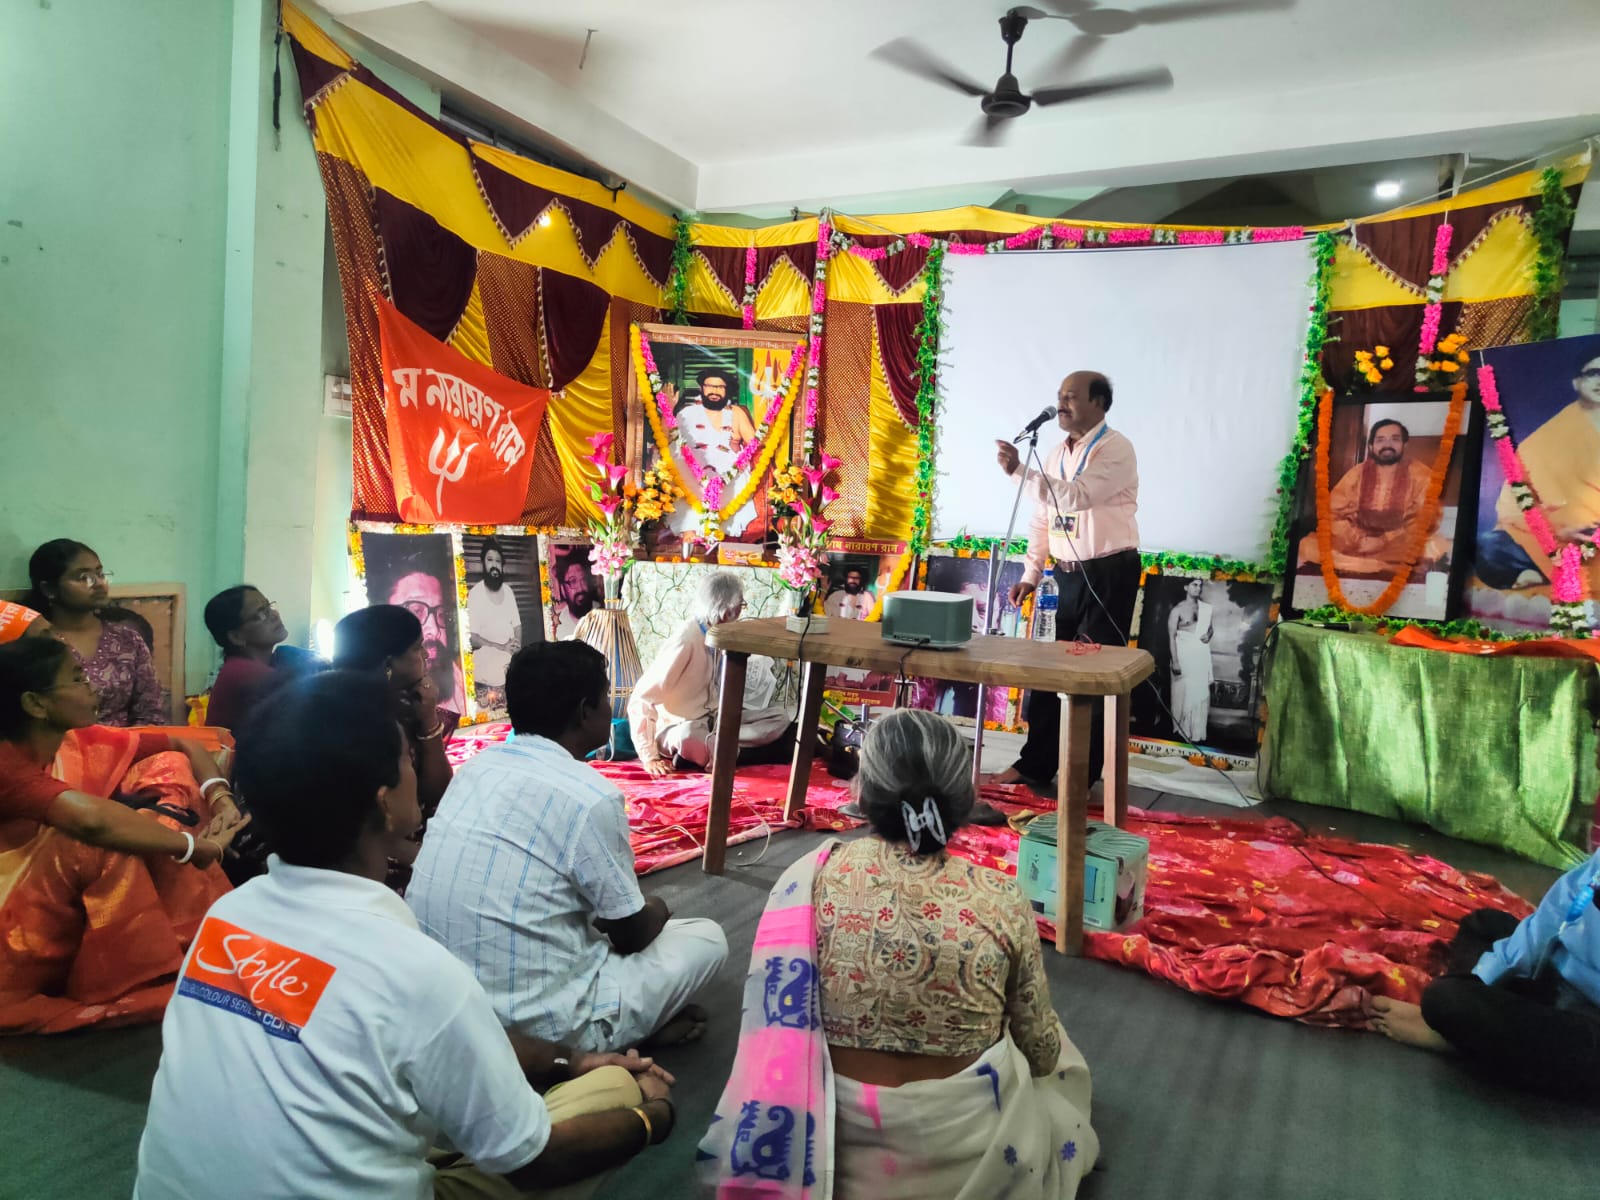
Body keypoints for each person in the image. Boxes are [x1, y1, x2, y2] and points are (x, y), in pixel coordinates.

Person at [133, 671, 679, 1199]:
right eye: (405, 757)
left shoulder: (228, 917)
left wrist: (571, 1061)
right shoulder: (415, 969)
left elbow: (429, 1029)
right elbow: (531, 1160)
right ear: (383, 799)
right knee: (615, 1092)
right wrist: (651, 1117)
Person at [700, 709, 1098, 1197]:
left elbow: (775, 1022)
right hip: (970, 1163)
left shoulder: (809, 877)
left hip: (823, 1152)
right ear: (963, 797)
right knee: (1054, 1050)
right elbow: (1041, 1056)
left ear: (863, 792)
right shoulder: (999, 897)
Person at [408, 641, 729, 1053]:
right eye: (604, 698)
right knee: (706, 937)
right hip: (541, 1027)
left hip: (448, 1013)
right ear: (584, 712)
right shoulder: (592, 796)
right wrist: (661, 906)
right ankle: (611, 1037)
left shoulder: (476, 769)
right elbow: (631, 935)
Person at [0, 637, 248, 1033]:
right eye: (78, 678)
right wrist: (194, 847)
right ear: (35, 704)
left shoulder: (77, 741)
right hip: (14, 929)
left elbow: (181, 742)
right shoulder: (6, 761)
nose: (92, 687)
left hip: (51, 895)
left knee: (164, 768)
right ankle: (126, 979)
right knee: (96, 842)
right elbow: (91, 823)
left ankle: (190, 943)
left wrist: (220, 799)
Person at [991, 371, 1140, 788]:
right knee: (1049, 670)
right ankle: (1033, 765)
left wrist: (1019, 471)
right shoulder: (1055, 452)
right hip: (1066, 576)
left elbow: (1076, 497)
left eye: (1071, 396)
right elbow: (1044, 516)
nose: (1061, 404)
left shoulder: (1116, 449)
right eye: (1059, 396)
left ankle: (1080, 777)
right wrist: (1033, 573)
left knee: (1089, 676)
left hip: (1108, 574)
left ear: (1099, 403)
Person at [1371, 849, 1600, 1101]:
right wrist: (1480, 981)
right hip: (1553, 976)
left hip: (1589, 1019)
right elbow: (1555, 914)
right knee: (1483, 924)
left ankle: (1463, 1039)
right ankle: (1470, 1032)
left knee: (1447, 999)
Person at [334, 605, 456, 890]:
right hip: (365, 856)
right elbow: (358, 820)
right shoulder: (354, 719)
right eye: (417, 648)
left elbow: (436, 790)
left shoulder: (408, 704)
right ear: (388, 665)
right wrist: (422, 856)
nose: (425, 654)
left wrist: (428, 720)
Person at [628, 572, 794, 776]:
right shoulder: (686, 641)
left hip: (714, 722)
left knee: (779, 717)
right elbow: (641, 699)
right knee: (690, 736)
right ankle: (738, 753)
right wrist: (649, 756)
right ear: (727, 611)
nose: (741, 612)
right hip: (679, 727)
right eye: (740, 606)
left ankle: (717, 752)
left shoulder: (719, 632)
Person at [1477, 353, 1600, 589]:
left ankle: (1538, 574)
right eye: (1593, 373)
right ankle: (1541, 569)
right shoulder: (1547, 437)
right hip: (1551, 537)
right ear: (1577, 382)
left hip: (1594, 535)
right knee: (1487, 546)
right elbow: (1511, 504)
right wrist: (1559, 526)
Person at [25, 538, 166, 726]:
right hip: (61, 751)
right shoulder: (36, 644)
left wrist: (129, 748)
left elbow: (151, 711)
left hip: (131, 747)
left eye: (100, 574)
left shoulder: (128, 639)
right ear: (49, 589)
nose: (99, 584)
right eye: (84, 578)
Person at [1300, 419, 1439, 576]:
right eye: (1380, 440)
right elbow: (1331, 513)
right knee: (1308, 546)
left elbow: (1426, 518)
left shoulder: (1422, 475)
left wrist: (1385, 539)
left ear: (1405, 445)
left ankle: (1361, 564)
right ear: (1371, 446)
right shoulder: (1356, 473)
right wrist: (1357, 539)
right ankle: (1386, 567)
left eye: (1395, 439)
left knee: (1433, 547)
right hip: (1357, 543)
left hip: (1397, 544)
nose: (1388, 444)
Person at [660, 369, 760, 538]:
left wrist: (735, 444)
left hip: (728, 477)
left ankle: (716, 541)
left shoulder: (737, 413)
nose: (715, 391)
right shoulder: (686, 413)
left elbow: (755, 444)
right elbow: (664, 439)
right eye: (710, 386)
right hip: (691, 475)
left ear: (727, 390)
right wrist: (668, 409)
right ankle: (690, 537)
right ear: (702, 388)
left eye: (720, 387)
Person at [201, 585, 290, 733]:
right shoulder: (241, 672)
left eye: (269, 607)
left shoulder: (274, 660)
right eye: (261, 614)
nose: (274, 615)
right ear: (236, 637)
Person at [384, 557, 465, 713]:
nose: (434, 631)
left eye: (441, 614)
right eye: (416, 612)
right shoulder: (374, 710)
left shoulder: (459, 684)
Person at [467, 536, 524, 709]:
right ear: (483, 563)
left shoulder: (508, 591)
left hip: (509, 661)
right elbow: (473, 637)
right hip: (486, 663)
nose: (494, 565)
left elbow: (517, 625)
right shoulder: (475, 594)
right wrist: (501, 647)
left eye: (498, 561)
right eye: (490, 560)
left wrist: (517, 645)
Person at [1167, 577, 1214, 743]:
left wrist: (1207, 636)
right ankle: (1182, 731)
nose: (1198, 588)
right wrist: (1176, 661)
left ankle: (1197, 733)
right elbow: (1171, 637)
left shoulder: (1206, 609)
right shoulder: (1177, 610)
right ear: (1186, 587)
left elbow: (1210, 630)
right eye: (1194, 585)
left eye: (1200, 585)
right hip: (1183, 655)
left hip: (1200, 656)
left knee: (1200, 692)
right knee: (1183, 693)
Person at [550, 554, 601, 641]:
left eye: (583, 579)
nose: (581, 588)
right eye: (573, 581)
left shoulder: (603, 613)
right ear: (563, 590)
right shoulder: (558, 625)